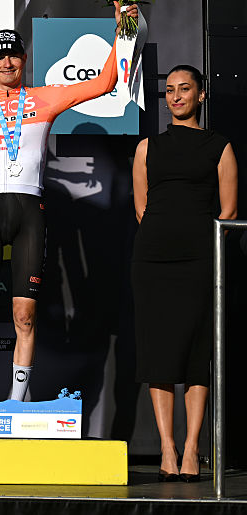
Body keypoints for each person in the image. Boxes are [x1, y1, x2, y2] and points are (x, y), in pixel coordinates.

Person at [0, 2, 135, 435]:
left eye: (14, 54)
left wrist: (123, 28)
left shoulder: (44, 98)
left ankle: (15, 405)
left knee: (25, 316)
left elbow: (106, 81)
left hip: (31, 210)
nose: (6, 62)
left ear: (23, 59)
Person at [132, 64, 237, 481]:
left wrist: (197, 244)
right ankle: (167, 448)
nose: (176, 96)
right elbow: (141, 208)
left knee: (196, 354)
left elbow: (228, 211)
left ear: (201, 95)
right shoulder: (147, 148)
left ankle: (193, 447)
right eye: (170, 90)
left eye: (185, 89)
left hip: (200, 261)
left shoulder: (220, 146)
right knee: (158, 353)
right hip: (153, 260)